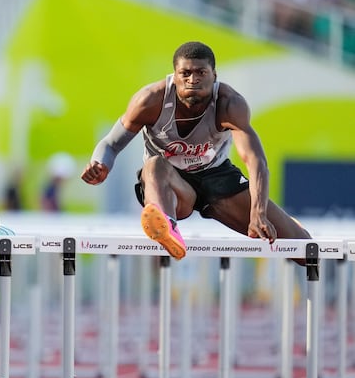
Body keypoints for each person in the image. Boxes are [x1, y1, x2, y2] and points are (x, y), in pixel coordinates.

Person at [81, 41, 310, 261]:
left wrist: (258, 212)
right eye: (186, 74)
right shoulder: (150, 100)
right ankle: (167, 227)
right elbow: (111, 143)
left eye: (201, 73)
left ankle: (290, 225)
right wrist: (100, 164)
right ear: (174, 76)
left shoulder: (229, 104)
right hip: (171, 185)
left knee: (302, 248)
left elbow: (255, 160)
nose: (193, 80)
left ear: (214, 76)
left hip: (216, 178)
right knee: (153, 165)